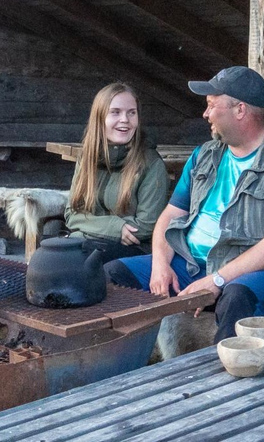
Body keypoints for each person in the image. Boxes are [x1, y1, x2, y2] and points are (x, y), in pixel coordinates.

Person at [105, 66, 264, 343]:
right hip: (189, 264)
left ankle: (221, 382)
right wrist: (160, 264)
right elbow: (170, 214)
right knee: (112, 275)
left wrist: (218, 280)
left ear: (240, 110)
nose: (205, 114)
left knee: (237, 298)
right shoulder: (204, 155)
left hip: (244, 271)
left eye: (212, 105)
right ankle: (127, 368)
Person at [65, 83, 169, 263]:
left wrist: (88, 226)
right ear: (100, 117)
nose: (125, 119)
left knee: (73, 258)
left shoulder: (151, 163)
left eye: (131, 112)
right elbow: (72, 214)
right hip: (90, 240)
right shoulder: (87, 158)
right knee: (47, 254)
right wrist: (115, 227)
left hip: (134, 250)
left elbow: (146, 226)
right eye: (115, 112)